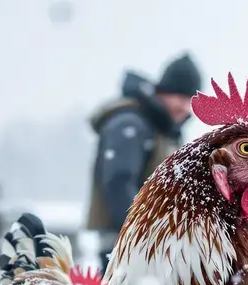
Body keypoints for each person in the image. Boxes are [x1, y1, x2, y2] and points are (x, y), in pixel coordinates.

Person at [86, 53, 202, 270]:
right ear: (162, 92)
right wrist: (146, 234)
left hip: (154, 245)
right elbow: (118, 182)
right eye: (180, 97)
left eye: (190, 101)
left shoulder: (164, 130)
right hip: (128, 244)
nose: (185, 107)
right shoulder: (130, 124)